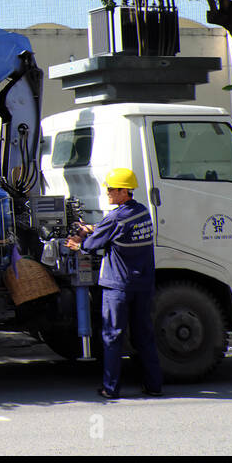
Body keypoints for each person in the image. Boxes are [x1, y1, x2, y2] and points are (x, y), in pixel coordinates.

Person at [65, 168, 163, 399]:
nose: (107, 192)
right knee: (144, 336)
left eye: (111, 189)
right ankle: (154, 385)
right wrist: (92, 228)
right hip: (143, 284)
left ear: (124, 191)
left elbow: (91, 245)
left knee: (113, 336)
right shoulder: (141, 213)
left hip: (119, 285)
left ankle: (110, 388)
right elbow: (111, 229)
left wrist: (78, 243)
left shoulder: (115, 217)